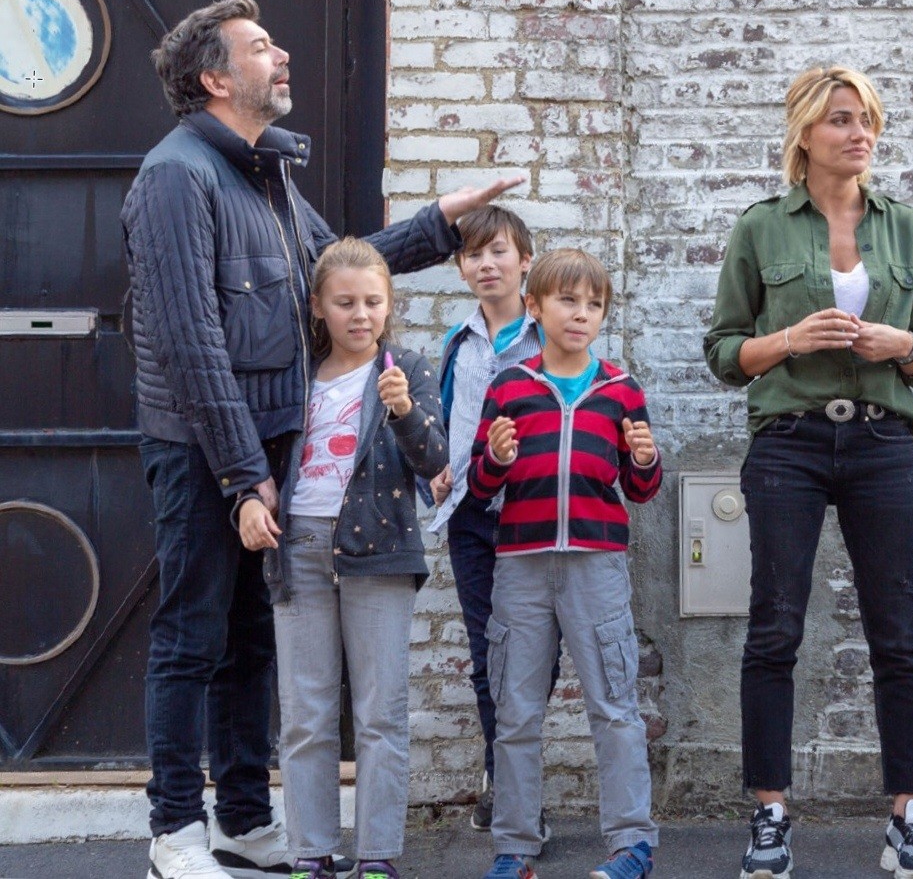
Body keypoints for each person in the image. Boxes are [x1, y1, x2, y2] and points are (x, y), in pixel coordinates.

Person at [122, 0, 519, 879]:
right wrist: (237, 476)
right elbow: (190, 344)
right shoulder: (175, 177)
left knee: (251, 640)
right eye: (262, 47)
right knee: (193, 634)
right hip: (201, 450)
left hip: (262, 447)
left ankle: (243, 820)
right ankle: (176, 833)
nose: (284, 55)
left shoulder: (265, 178)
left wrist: (440, 221)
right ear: (216, 77)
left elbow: (343, 273)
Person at [703, 66, 913, 879]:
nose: (859, 134)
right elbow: (724, 352)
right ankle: (769, 815)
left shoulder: (906, 227)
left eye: (868, 120)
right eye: (841, 120)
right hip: (790, 443)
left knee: (897, 633)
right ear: (805, 133)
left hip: (882, 445)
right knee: (775, 627)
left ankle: (908, 816)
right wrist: (790, 341)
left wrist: (901, 347)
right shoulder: (762, 229)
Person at [235, 239, 447, 879]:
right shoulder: (294, 379)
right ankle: (310, 852)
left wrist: (404, 411)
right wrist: (248, 497)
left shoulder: (408, 370)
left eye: (373, 301)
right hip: (298, 547)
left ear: (389, 306)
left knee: (381, 711)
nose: (360, 313)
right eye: (345, 302)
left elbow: (435, 462)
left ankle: (377, 853)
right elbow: (264, 459)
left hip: (378, 551)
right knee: (305, 714)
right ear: (319, 307)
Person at [471, 249, 662, 879]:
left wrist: (642, 460)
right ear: (535, 307)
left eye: (594, 304)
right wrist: (496, 458)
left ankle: (631, 844)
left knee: (614, 705)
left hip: (596, 564)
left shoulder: (620, 389)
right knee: (516, 710)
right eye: (567, 301)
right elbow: (478, 486)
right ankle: (515, 848)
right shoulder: (510, 387)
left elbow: (640, 491)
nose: (581, 315)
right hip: (521, 568)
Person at [425, 206, 553, 835]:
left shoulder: (549, 334)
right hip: (473, 514)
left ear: (525, 259)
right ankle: (506, 784)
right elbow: (450, 419)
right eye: (473, 255)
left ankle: (517, 772)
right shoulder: (458, 340)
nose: (486, 264)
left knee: (537, 653)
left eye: (498, 251)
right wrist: (441, 469)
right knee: (485, 652)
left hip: (537, 516)